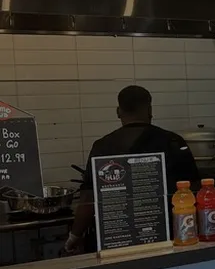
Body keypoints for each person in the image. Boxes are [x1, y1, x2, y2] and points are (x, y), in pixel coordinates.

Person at [66, 85, 199, 253]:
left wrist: (74, 236)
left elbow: (89, 198)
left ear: (118, 112)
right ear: (150, 110)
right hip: (167, 236)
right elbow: (193, 190)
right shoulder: (173, 142)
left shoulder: (102, 146)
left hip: (117, 239)